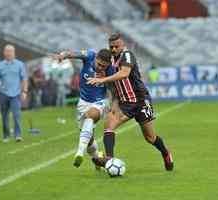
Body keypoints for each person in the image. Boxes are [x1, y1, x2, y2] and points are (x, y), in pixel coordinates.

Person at [88, 33, 174, 171]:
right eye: (111, 47)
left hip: (140, 100)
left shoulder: (127, 55)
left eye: (116, 46)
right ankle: (109, 160)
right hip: (125, 103)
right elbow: (114, 85)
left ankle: (165, 153)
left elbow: (124, 74)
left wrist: (101, 80)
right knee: (109, 124)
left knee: (150, 138)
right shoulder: (109, 60)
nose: (114, 49)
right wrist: (114, 102)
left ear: (123, 45)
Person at [51, 49, 113, 168]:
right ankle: (97, 158)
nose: (100, 68)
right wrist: (64, 55)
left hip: (100, 102)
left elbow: (114, 86)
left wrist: (106, 80)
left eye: (103, 66)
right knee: (89, 140)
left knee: (90, 116)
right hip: (83, 103)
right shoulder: (89, 55)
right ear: (95, 58)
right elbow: (75, 54)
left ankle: (79, 152)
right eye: (99, 64)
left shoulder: (110, 70)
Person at [0, 45, 28, 143]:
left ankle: (18, 135)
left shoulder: (20, 64)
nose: (8, 53)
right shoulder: (0, 65)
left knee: (17, 115)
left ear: (14, 53)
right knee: (4, 116)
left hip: (16, 94)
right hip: (3, 93)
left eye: (10, 51)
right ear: (4, 53)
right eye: (7, 51)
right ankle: (6, 136)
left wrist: (24, 91)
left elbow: (24, 79)